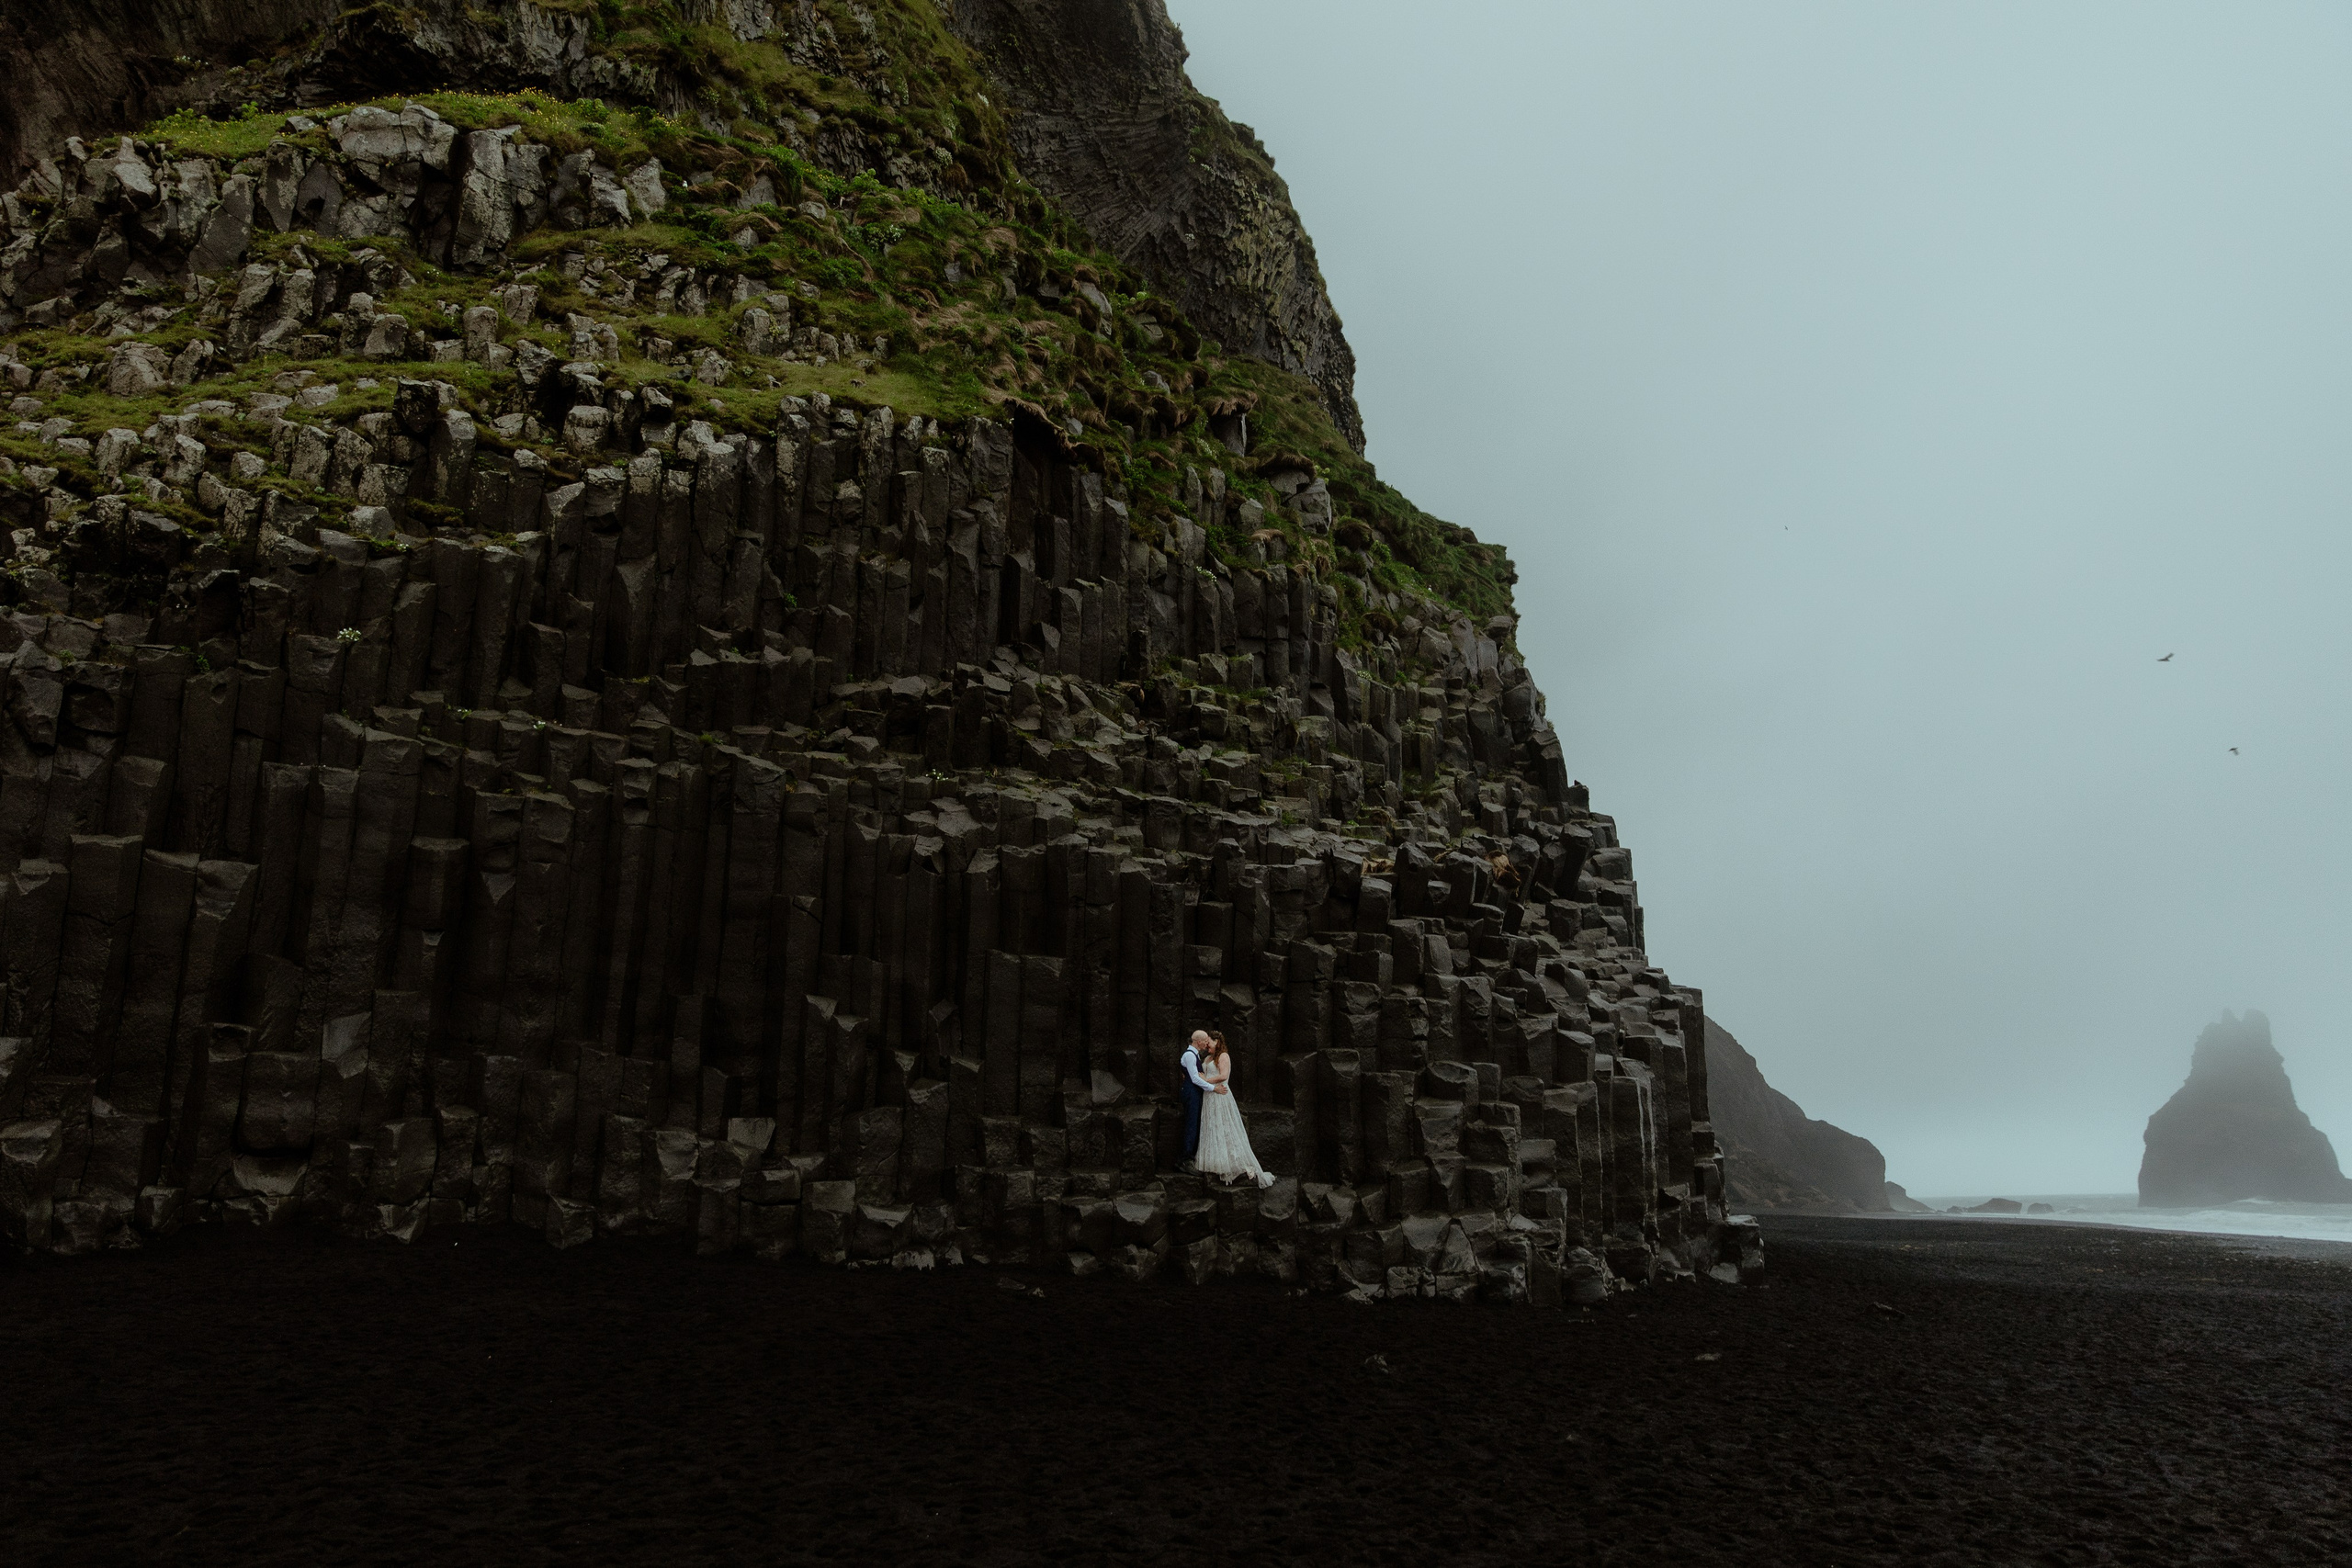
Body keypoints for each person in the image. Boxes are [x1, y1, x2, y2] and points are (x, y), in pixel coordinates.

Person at [1193, 1032, 1275, 1189]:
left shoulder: (1223, 1056)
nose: (1207, 1045)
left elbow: (1223, 1075)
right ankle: (1215, 1161)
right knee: (1212, 1127)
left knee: (1225, 1127)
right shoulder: (1207, 1059)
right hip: (1209, 1097)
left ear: (1216, 1041)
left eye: (1209, 1042)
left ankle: (1231, 1163)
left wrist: (1204, 1081)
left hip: (1220, 1095)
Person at [1177, 1029, 1223, 1168]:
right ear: (1198, 1042)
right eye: (1205, 1041)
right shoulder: (1190, 1055)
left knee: (1194, 1124)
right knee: (1191, 1124)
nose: (1206, 1043)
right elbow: (1195, 1078)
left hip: (1193, 1092)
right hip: (1191, 1092)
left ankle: (1189, 1156)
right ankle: (1185, 1159)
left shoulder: (1193, 1055)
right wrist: (1213, 1088)